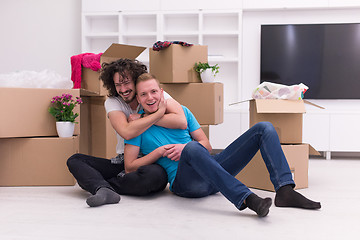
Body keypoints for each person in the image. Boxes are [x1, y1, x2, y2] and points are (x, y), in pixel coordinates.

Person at [124, 73, 321, 217]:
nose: (150, 98)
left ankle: (285, 191)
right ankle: (247, 199)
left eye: (153, 92)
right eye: (143, 95)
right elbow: (130, 166)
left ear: (162, 92)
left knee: (264, 127)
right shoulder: (137, 127)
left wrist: (185, 148)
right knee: (192, 148)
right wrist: (159, 152)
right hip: (186, 184)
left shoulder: (183, 112)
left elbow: (206, 146)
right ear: (138, 99)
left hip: (212, 171)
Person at [67, 59, 187, 207]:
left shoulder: (154, 94)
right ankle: (103, 189)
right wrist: (158, 114)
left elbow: (181, 121)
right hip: (124, 162)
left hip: (152, 161)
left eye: (126, 83)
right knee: (75, 160)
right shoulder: (113, 102)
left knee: (155, 177)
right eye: (118, 85)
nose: (123, 89)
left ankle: (99, 182)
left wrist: (141, 118)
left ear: (137, 80)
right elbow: (126, 132)